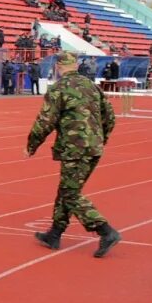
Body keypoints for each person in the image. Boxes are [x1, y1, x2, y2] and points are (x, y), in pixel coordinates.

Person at [26, 52, 121, 257]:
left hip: (74, 148)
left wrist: (31, 145)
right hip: (93, 147)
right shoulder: (92, 86)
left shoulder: (58, 88)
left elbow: (45, 121)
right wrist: (100, 138)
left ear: (59, 67)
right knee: (67, 190)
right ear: (76, 66)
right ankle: (55, 233)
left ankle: (105, 230)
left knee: (70, 193)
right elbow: (110, 116)